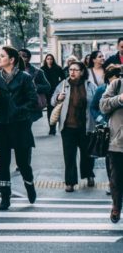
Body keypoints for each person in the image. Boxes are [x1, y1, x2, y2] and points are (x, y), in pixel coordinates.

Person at [0, 46, 38, 210]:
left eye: (2, 56)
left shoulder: (25, 77)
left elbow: (33, 100)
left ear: (11, 60)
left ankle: (29, 185)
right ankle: (5, 197)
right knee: (3, 163)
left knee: (23, 162)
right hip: (2, 124)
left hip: (20, 124)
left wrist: (19, 109)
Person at [51, 61, 97, 192]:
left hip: (86, 126)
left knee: (87, 154)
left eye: (75, 70)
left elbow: (96, 102)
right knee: (69, 156)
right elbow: (52, 100)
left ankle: (88, 174)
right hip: (68, 126)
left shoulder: (89, 85)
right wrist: (58, 98)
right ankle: (70, 182)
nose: (72, 72)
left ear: (82, 72)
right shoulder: (63, 85)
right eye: (70, 69)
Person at [90, 64, 122, 196]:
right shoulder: (104, 89)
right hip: (111, 131)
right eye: (112, 78)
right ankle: (115, 196)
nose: (114, 80)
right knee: (112, 164)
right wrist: (99, 119)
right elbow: (95, 107)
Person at [100, 69, 123, 223]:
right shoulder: (117, 83)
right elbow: (103, 105)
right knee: (116, 178)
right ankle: (116, 206)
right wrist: (119, 99)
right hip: (118, 142)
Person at [18, 49, 51, 123]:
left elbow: (47, 86)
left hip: (30, 105)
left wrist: (35, 87)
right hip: (16, 105)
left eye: (24, 56)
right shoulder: (11, 70)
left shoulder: (37, 71)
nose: (21, 58)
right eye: (19, 56)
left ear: (29, 58)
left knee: (26, 128)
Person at [41, 54, 65, 135]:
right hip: (47, 91)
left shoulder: (57, 68)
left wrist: (59, 85)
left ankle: (56, 127)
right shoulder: (42, 69)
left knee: (57, 109)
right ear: (45, 60)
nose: (49, 60)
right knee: (49, 110)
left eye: (51, 59)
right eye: (48, 59)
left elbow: (63, 78)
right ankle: (52, 128)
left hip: (56, 91)